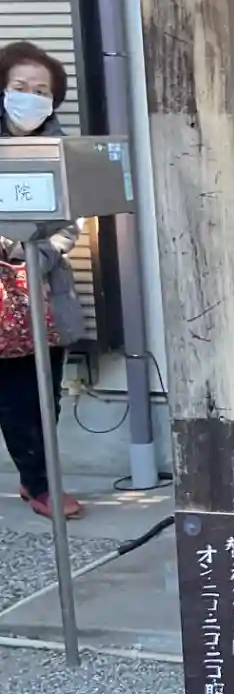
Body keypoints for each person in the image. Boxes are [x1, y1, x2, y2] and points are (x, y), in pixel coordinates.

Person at [0, 41, 84, 519]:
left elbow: (70, 225)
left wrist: (36, 251)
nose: (29, 97)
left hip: (44, 290)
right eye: (20, 87)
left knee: (45, 395)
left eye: (40, 90)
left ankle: (37, 478)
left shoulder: (61, 150)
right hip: (2, 298)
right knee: (15, 399)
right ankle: (40, 485)